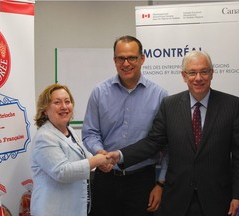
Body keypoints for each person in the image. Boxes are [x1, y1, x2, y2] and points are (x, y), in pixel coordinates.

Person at [108, 50, 239, 216]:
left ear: (212, 73)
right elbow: (153, 143)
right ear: (184, 76)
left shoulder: (232, 105)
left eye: (204, 71)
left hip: (218, 199)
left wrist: (237, 195)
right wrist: (120, 155)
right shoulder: (169, 105)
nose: (198, 78)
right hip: (177, 199)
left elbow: (237, 155)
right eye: (192, 72)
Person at [82, 35, 168, 216]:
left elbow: (165, 143)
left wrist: (160, 184)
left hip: (142, 181)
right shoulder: (99, 92)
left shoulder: (159, 95)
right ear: (114, 60)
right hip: (106, 178)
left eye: (132, 58)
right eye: (120, 58)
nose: (126, 63)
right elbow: (90, 132)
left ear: (142, 59)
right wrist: (100, 152)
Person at [30, 84, 112, 216]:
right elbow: (62, 171)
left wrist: (100, 164)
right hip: (52, 210)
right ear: (45, 109)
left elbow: (81, 160)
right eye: (57, 102)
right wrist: (96, 161)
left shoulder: (70, 131)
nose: (64, 106)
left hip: (72, 209)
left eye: (67, 102)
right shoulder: (44, 137)